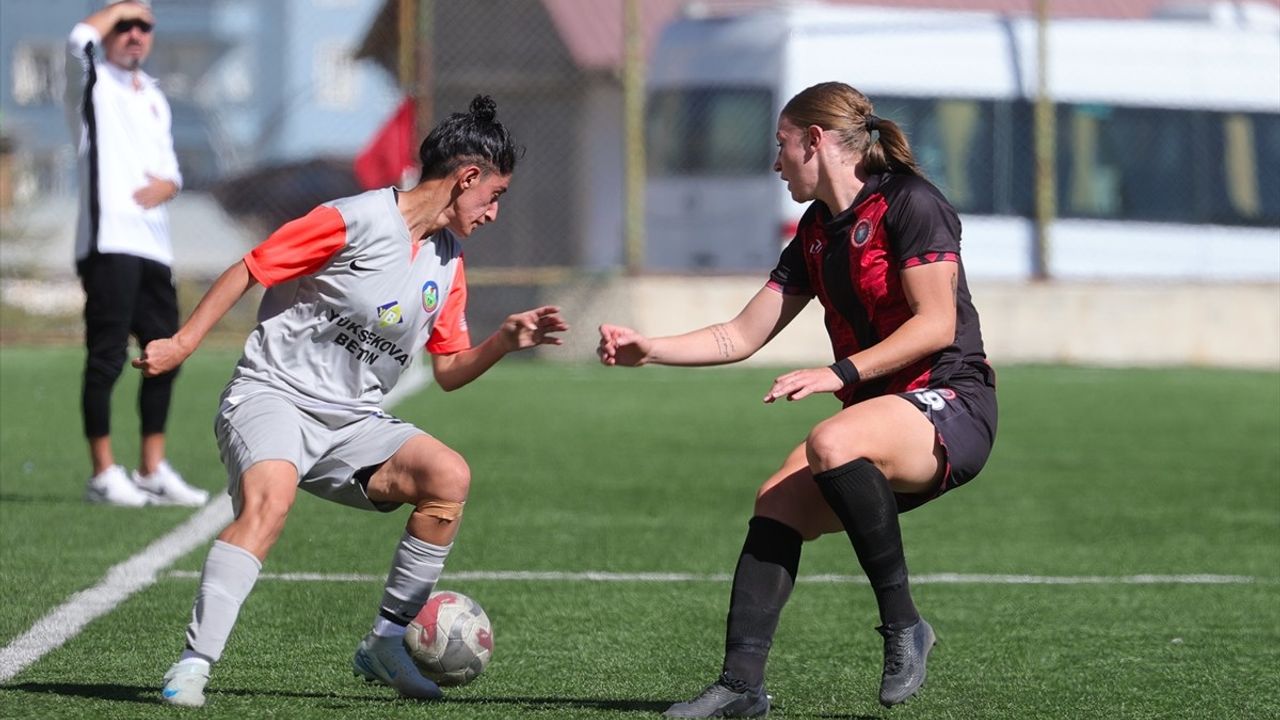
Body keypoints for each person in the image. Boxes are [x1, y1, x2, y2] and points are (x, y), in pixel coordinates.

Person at [133, 95, 568, 708]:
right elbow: (250, 268)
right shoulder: (353, 218)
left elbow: (447, 371)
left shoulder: (449, 262)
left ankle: (387, 642)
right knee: (271, 502)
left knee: (448, 476)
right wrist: (182, 343)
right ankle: (195, 662)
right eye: (495, 195)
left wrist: (504, 341)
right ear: (467, 178)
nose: (495, 212)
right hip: (272, 395)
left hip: (352, 423)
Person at [598, 81, 997, 716]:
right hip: (883, 416)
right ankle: (740, 686)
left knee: (830, 441)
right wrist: (651, 349)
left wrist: (840, 372)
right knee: (776, 501)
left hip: (951, 400)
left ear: (815, 142)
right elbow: (740, 333)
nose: (775, 160)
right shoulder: (815, 231)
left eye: (781, 144)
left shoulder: (912, 202)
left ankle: (904, 626)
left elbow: (936, 324)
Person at [64, 0, 208, 507]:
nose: (133, 33)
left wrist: (168, 185)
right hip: (109, 243)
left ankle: (151, 468)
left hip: (153, 245)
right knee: (106, 357)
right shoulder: (92, 82)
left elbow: (172, 173)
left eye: (143, 25)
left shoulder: (153, 95)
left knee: (164, 354)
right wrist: (121, 6)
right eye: (124, 25)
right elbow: (77, 39)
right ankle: (103, 474)